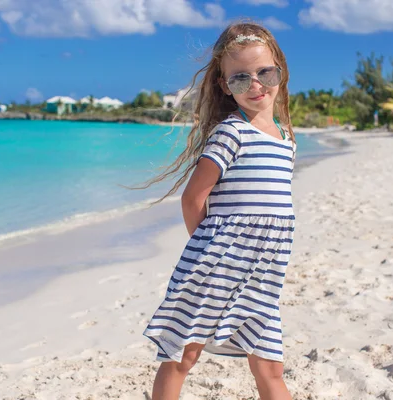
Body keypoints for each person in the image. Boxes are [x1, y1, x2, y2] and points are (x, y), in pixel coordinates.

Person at [141, 21, 297, 400]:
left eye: (265, 73)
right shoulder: (231, 133)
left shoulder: (287, 139)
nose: (256, 85)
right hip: (217, 264)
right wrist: (212, 250)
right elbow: (193, 198)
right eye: (241, 79)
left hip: (263, 272)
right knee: (183, 355)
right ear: (226, 86)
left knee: (270, 366)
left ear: (281, 71)